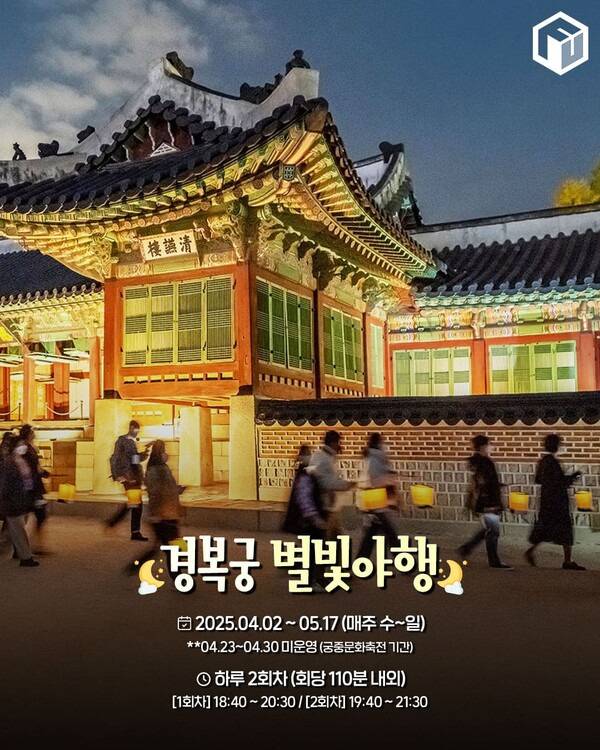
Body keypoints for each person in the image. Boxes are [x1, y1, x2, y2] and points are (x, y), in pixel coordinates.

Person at [525, 434, 585, 570]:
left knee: (546, 529)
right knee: (565, 530)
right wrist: (573, 477)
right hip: (557, 502)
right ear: (556, 446)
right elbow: (559, 483)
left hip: (547, 501)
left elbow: (538, 479)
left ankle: (531, 551)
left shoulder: (543, 461)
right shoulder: (552, 462)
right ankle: (567, 561)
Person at [125, 440, 183, 574]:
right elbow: (155, 492)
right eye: (164, 451)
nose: (166, 454)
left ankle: (135, 566)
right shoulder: (155, 470)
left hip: (169, 513)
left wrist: (177, 490)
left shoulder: (163, 468)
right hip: (163, 516)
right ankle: (177, 575)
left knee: (163, 547)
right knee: (171, 547)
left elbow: (168, 488)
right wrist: (156, 513)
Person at [458, 435, 512, 570]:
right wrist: (493, 500)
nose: (491, 447)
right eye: (489, 444)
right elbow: (485, 483)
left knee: (488, 529)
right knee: (493, 531)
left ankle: (466, 548)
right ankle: (494, 561)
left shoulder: (477, 462)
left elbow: (482, 482)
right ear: (483, 447)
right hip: (489, 501)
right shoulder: (485, 463)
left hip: (483, 500)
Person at [282, 445, 328, 590]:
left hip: (307, 519)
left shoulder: (305, 473)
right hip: (308, 520)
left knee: (313, 550)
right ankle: (311, 580)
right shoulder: (305, 475)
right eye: (308, 453)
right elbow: (305, 499)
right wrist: (315, 517)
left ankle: (312, 577)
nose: (311, 456)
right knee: (313, 551)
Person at [356, 433, 402, 559]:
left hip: (377, 504)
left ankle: (360, 561)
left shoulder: (375, 459)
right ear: (378, 443)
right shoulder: (375, 460)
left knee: (372, 535)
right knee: (390, 534)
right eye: (382, 442)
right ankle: (402, 560)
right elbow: (375, 482)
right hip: (377, 503)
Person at [106, 420, 149, 541]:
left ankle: (114, 523)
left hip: (134, 477)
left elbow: (134, 460)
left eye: (138, 431)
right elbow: (114, 458)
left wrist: (144, 454)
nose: (137, 432)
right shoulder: (122, 441)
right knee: (136, 504)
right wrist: (117, 475)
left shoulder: (130, 442)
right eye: (135, 430)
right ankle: (134, 532)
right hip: (128, 477)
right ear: (131, 428)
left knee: (133, 503)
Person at [0, 435, 39, 566]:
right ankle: (26, 558)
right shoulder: (9, 462)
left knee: (12, 531)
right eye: (20, 445)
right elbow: (5, 484)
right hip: (12, 501)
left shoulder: (21, 460)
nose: (24, 447)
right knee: (18, 530)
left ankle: (19, 552)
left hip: (22, 500)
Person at [308, 430, 355, 537]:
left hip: (329, 505)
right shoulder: (323, 458)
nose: (340, 445)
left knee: (334, 535)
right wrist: (345, 485)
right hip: (324, 505)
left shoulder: (324, 456)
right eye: (338, 442)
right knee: (326, 537)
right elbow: (325, 482)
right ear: (333, 443)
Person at [16, 424, 50, 553]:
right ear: (29, 434)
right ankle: (32, 546)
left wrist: (43, 472)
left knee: (35, 516)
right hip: (31, 487)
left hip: (33, 486)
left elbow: (34, 467)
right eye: (33, 432)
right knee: (37, 515)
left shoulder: (28, 447)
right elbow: (25, 467)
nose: (34, 434)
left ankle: (28, 546)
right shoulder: (23, 447)